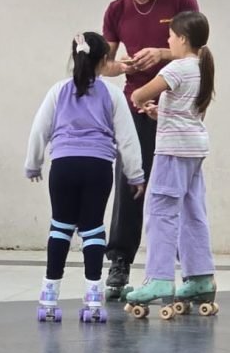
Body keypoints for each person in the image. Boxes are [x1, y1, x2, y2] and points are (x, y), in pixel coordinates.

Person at [100, 0, 200, 299]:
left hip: (177, 102)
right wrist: (125, 66)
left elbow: (197, 50)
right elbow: (105, 65)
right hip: (137, 101)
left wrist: (161, 54)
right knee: (131, 177)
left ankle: (188, 264)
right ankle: (120, 260)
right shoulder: (117, 10)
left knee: (180, 186)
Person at [25, 32, 145, 323]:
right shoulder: (113, 95)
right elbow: (127, 139)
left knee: (60, 227)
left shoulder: (58, 90)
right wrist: (135, 174)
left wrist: (34, 164)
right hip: (98, 167)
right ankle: (93, 299)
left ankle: (49, 297)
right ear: (105, 61)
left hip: (64, 165)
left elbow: (40, 129)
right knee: (92, 229)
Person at [126, 11, 217, 318]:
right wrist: (159, 114)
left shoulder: (177, 67)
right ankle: (200, 277)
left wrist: (140, 102)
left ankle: (159, 280)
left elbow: (141, 92)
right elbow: (189, 112)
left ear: (182, 39)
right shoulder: (203, 69)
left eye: (170, 37)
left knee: (160, 212)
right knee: (193, 211)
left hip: (172, 152)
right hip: (193, 148)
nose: (167, 41)